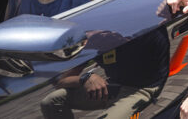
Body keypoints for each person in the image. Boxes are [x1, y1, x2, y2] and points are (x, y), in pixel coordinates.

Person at [40, 30, 169, 119]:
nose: (92, 41)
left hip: (143, 88)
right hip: (113, 87)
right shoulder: (97, 46)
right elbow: (62, 81)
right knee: (51, 101)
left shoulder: (142, 35)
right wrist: (85, 78)